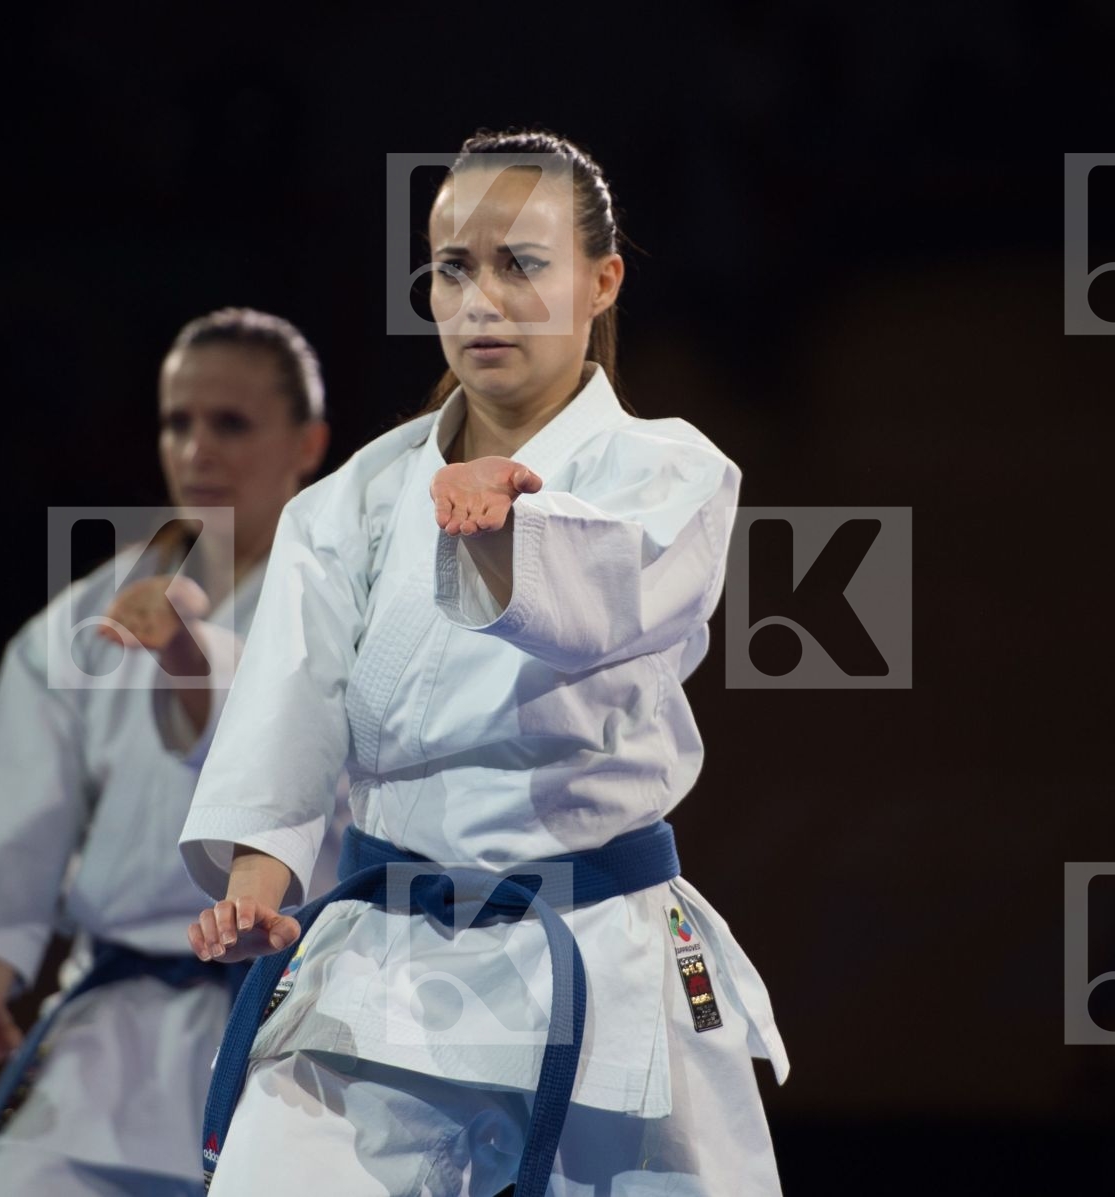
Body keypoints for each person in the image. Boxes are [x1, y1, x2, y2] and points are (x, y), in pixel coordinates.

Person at [177, 130, 789, 1196]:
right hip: (386, 965)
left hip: (599, 956)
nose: (481, 301)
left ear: (604, 282)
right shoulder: (352, 502)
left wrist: (509, 531)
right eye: (453, 269)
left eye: (521, 265)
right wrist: (254, 887)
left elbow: (600, 603)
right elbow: (289, 712)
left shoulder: (674, 471)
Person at [0, 308, 347, 1196]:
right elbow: (16, 807)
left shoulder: (346, 600)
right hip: (113, 1026)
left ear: (309, 443)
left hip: (291, 1017)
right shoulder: (84, 618)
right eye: (178, 421)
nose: (197, 449)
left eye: (231, 423)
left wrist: (185, 652)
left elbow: (265, 734)